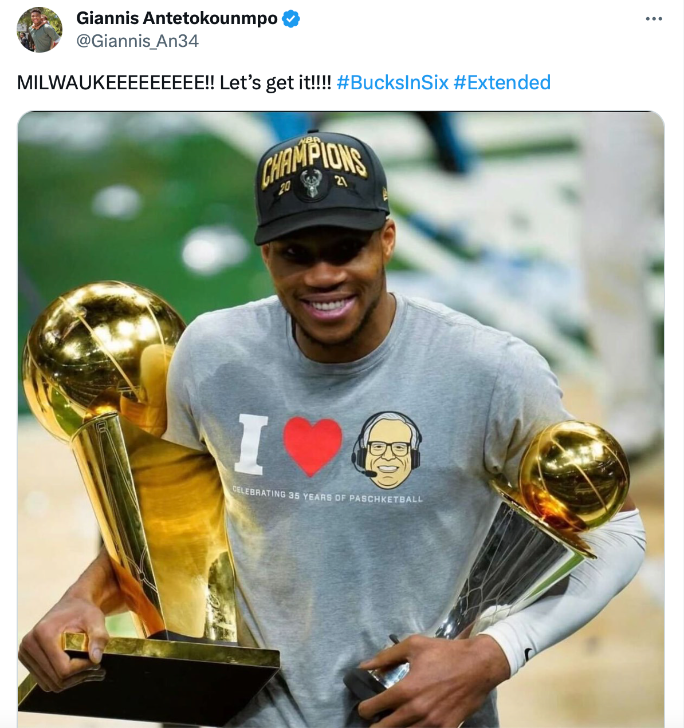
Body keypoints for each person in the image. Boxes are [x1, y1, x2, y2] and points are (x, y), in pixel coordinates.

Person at [19, 131, 646, 728]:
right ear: (266, 254)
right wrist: (85, 597)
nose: (323, 277)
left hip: (417, 714)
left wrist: (494, 655)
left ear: (387, 240)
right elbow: (168, 523)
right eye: (297, 254)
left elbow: (617, 530)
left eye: (346, 249)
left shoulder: (488, 371)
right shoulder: (213, 356)